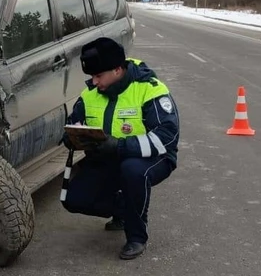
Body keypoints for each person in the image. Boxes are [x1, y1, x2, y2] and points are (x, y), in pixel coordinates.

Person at [61, 37, 179, 260]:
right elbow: (74, 122)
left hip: (152, 158)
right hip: (108, 157)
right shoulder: (90, 94)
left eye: (98, 76)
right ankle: (124, 209)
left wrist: (120, 145)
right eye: (91, 77)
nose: (94, 82)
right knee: (73, 200)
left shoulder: (150, 90)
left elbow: (167, 137)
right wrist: (71, 138)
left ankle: (136, 236)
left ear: (117, 70)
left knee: (133, 171)